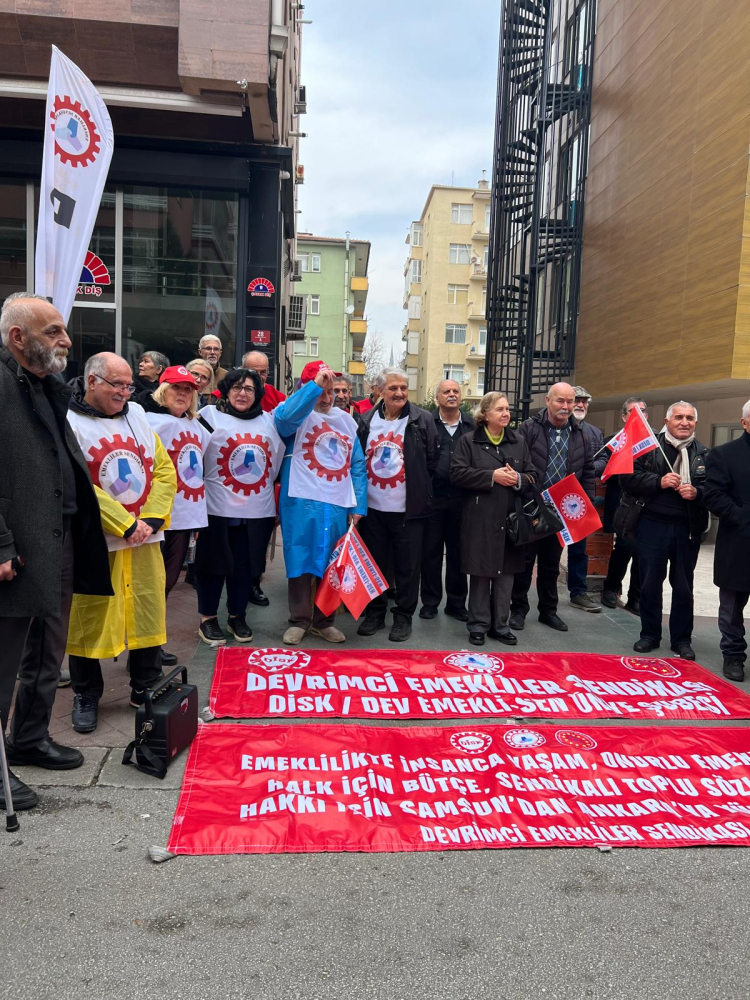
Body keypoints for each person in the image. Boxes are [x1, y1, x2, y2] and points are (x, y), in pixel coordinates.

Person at [0, 293, 110, 811]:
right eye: (54, 331)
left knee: (48, 648)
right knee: (4, 660)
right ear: (18, 337)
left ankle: (28, 737)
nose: (66, 340)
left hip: (57, 537)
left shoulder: (45, 385)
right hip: (15, 547)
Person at [65, 352, 177, 733]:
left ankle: (144, 684)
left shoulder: (138, 415)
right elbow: (79, 483)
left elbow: (164, 470)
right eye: (118, 384)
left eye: (129, 385)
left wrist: (150, 519)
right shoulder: (70, 422)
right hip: (98, 541)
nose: (126, 392)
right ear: (92, 381)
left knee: (146, 607)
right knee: (89, 616)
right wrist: (124, 524)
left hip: (144, 537)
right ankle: (86, 693)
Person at [274, 361, 367, 644]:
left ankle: (324, 621)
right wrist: (313, 388)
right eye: (321, 392)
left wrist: (358, 506)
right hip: (301, 500)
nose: (326, 399)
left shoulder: (346, 421)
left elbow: (357, 465)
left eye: (330, 392)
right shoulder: (294, 415)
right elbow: (284, 420)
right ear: (306, 389)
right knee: (300, 558)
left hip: (337, 502)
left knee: (333, 562)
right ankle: (299, 620)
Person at [195, 368, 284, 646]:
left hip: (256, 510)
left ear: (257, 394)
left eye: (249, 389)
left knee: (246, 567)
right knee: (212, 565)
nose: (242, 393)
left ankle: (237, 615)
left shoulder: (269, 421)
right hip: (216, 508)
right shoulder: (208, 416)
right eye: (236, 387)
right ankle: (208, 618)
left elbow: (275, 462)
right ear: (226, 390)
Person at [620, 401, 708, 660]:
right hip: (652, 526)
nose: (684, 422)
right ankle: (649, 634)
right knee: (649, 583)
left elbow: (715, 490)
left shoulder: (705, 454)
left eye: (689, 418)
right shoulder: (648, 447)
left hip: (686, 529)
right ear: (667, 422)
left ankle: (682, 640)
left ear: (696, 423)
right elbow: (627, 478)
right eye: (679, 417)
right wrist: (658, 481)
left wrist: (698, 493)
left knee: (683, 587)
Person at [356, 367, 437, 641]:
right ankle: (375, 613)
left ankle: (403, 617)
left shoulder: (422, 420)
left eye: (403, 387)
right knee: (375, 563)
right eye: (393, 388)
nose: (400, 393)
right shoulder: (365, 420)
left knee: (407, 567)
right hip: (372, 509)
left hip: (408, 510)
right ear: (379, 390)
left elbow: (431, 461)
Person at [451, 392, 537, 646]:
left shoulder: (518, 441)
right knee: (480, 573)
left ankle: (501, 626)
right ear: (485, 414)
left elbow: (533, 475)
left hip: (511, 520)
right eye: (499, 409)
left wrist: (518, 479)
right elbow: (457, 474)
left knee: (506, 574)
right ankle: (478, 625)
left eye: (507, 409)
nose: (505, 413)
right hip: (480, 518)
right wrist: (492, 476)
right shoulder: (469, 441)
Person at [509, 382, 595, 632]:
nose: (566, 406)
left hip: (561, 511)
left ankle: (548, 611)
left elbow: (588, 472)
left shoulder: (581, 434)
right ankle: (518, 610)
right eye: (560, 401)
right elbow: (517, 464)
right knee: (524, 564)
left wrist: (585, 505)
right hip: (531, 507)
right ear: (548, 401)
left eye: (570, 401)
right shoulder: (529, 428)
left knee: (551, 564)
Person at [139, 365, 209, 665]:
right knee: (151, 585)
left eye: (188, 389)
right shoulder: (146, 422)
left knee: (166, 583)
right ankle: (143, 649)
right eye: (176, 387)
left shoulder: (197, 425)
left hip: (183, 518)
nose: (182, 393)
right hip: (155, 518)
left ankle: (150, 646)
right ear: (162, 390)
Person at [702, 403, 750, 681]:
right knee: (732, 607)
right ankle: (733, 655)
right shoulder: (724, 454)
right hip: (738, 542)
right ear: (744, 423)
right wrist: (743, 516)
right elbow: (713, 495)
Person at [419, 379, 473, 622]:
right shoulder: (426, 423)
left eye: (455, 391)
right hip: (433, 499)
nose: (452, 395)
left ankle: (457, 603)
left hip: (462, 499)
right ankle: (430, 602)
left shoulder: (471, 426)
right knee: (430, 552)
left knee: (458, 553)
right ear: (437, 398)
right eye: (446, 391)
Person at [601, 397, 648, 614]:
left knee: (642, 551)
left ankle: (635, 597)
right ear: (623, 417)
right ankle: (611, 588)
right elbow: (605, 472)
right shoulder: (613, 441)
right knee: (624, 547)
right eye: (632, 411)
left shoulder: (655, 441)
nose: (638, 415)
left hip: (647, 504)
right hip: (622, 504)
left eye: (642, 411)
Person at [566, 386, 605, 613]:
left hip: (579, 498)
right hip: (553, 497)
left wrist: (585, 468)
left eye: (584, 401)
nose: (580, 405)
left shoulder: (594, 433)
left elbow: (603, 460)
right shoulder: (555, 429)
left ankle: (578, 592)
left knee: (579, 549)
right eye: (576, 401)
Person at [198, 334, 227, 399]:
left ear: (220, 353)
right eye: (208, 348)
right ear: (200, 352)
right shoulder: (193, 374)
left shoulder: (226, 376)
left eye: (216, 349)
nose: (212, 352)